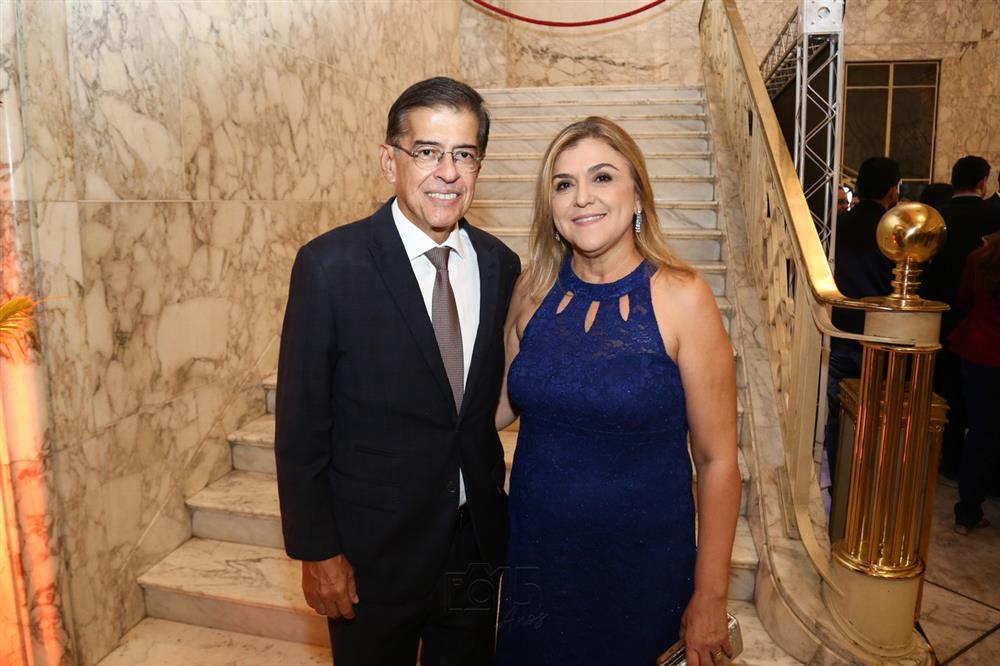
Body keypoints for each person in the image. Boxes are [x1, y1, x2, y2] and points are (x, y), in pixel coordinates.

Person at [273, 77, 520, 665]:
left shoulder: (500, 264)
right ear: (390, 161)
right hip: (371, 555)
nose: (448, 173)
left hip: (472, 547)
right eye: (428, 151)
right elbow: (302, 425)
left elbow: (478, 408)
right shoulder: (329, 266)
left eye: (464, 154)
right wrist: (318, 551)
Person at [493, 117, 741, 665]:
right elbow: (502, 405)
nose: (582, 197)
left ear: (637, 195)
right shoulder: (532, 287)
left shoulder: (683, 297)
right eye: (563, 184)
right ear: (551, 206)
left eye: (602, 177)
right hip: (538, 558)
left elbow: (718, 460)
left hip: (642, 569)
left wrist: (710, 594)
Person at [921, 156, 1000, 478]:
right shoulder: (993, 216)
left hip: (938, 317)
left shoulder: (935, 218)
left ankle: (944, 457)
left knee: (943, 390)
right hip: (978, 320)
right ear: (983, 183)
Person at [824, 157, 900, 482]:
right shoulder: (894, 230)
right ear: (893, 190)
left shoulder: (837, 225)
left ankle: (838, 478)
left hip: (838, 330)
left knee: (835, 413)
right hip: (880, 336)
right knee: (877, 414)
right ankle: (869, 480)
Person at [949, 232, 1000, 534]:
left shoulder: (980, 259)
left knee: (980, 435)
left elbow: (964, 300)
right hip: (984, 351)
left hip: (979, 352)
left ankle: (967, 513)